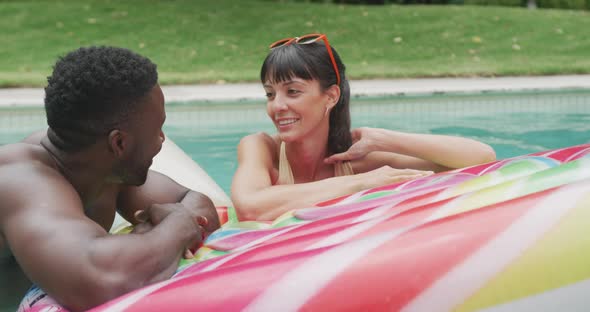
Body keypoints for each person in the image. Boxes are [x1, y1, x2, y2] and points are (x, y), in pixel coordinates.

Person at [0, 46, 220, 312]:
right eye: (158, 130)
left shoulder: (100, 169)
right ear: (119, 143)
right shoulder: (19, 180)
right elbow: (102, 283)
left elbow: (197, 202)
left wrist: (154, 236)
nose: (162, 139)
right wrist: (178, 224)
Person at [231, 33, 496, 221]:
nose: (277, 106)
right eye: (269, 94)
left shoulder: (357, 158)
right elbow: (250, 207)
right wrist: (362, 184)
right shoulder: (260, 147)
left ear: (331, 96)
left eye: (292, 92)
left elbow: (480, 157)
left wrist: (384, 138)